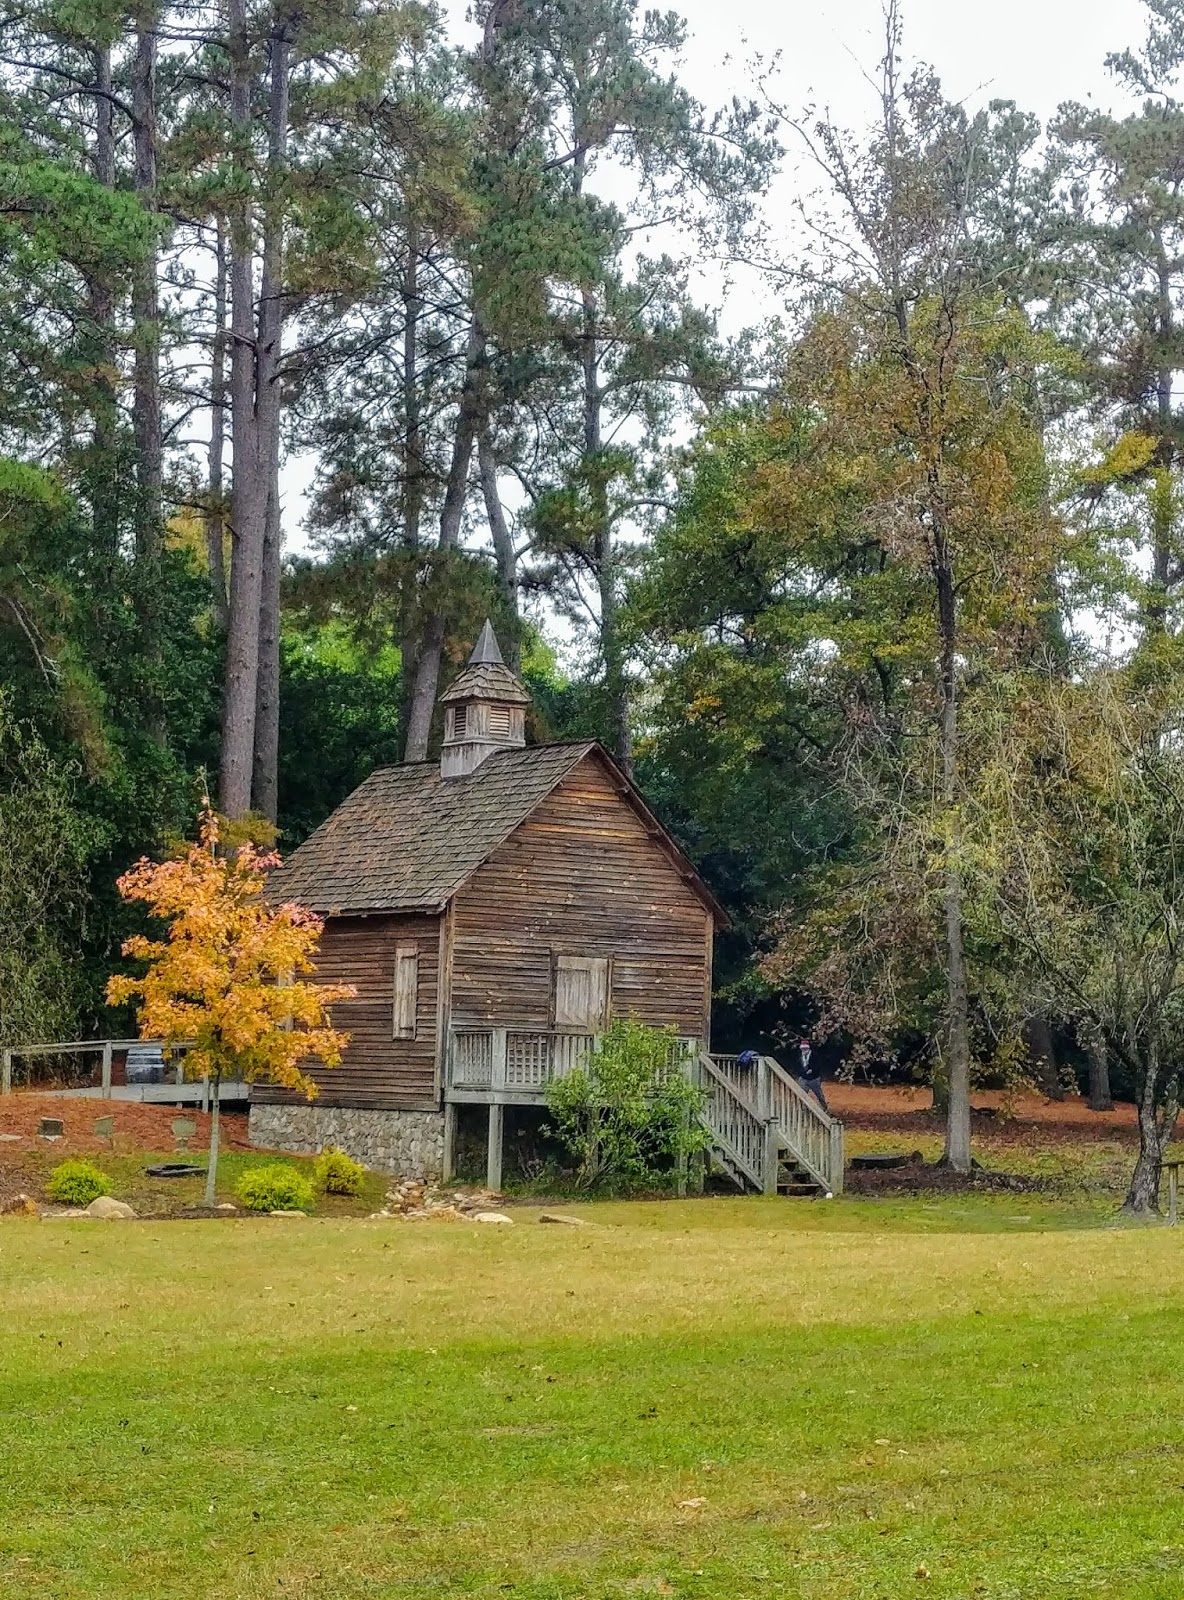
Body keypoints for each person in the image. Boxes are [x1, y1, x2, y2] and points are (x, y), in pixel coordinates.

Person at [794, 1036, 828, 1112]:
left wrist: (812, 1070)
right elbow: (797, 1065)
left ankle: (824, 1107)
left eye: (805, 1049)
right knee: (801, 1094)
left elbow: (819, 1065)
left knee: (819, 1094)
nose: (804, 1050)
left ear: (808, 1048)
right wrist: (800, 1074)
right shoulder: (800, 1056)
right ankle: (800, 1108)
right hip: (803, 1078)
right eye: (802, 1049)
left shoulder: (815, 1055)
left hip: (814, 1079)